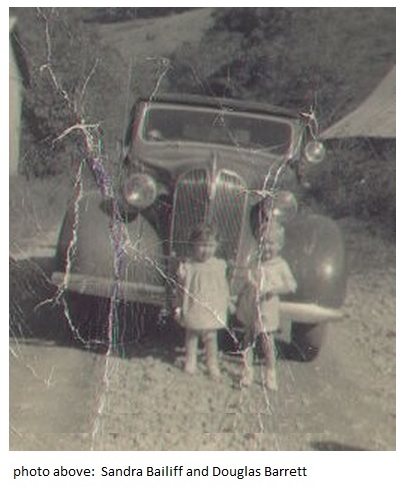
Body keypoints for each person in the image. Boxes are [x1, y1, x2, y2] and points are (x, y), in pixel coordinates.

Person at [237, 218, 297, 390]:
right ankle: (247, 372)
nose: (267, 247)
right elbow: (247, 278)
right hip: (251, 305)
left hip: (267, 307)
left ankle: (270, 372)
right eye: (263, 243)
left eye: (272, 243)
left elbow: (291, 285)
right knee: (248, 339)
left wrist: (274, 289)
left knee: (267, 340)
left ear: (280, 245)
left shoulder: (281, 265)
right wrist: (248, 280)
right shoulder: (255, 261)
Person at [175, 224, 230, 378]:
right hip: (194, 305)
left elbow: (223, 286)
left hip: (211, 305)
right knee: (192, 334)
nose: (206, 250)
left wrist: (227, 301)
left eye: (211, 246)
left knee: (211, 336)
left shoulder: (219, 265)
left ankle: (212, 363)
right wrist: (178, 305)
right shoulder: (189, 266)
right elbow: (180, 288)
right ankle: (191, 360)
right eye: (202, 245)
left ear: (217, 245)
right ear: (193, 245)